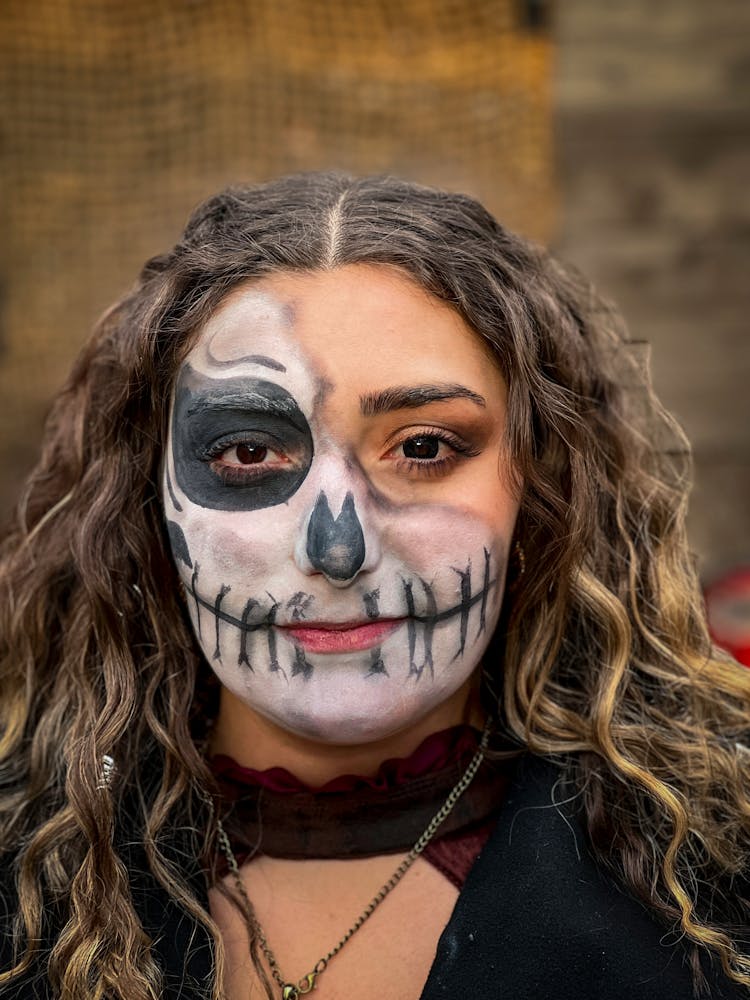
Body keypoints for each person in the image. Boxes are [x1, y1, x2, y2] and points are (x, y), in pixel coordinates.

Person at [0, 172, 748, 1000]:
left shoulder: (719, 862)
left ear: (539, 495)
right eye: (248, 452)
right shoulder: (24, 873)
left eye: (424, 447)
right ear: (145, 502)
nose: (338, 548)